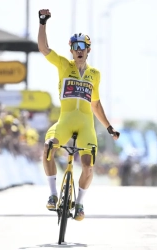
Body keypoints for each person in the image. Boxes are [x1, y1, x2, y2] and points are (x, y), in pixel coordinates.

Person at [37, 9, 120, 221]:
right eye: (75, 47)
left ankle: (80, 204)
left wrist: (109, 127)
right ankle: (53, 195)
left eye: (82, 46)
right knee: (48, 148)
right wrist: (43, 23)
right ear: (71, 51)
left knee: (88, 166)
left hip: (85, 127)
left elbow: (96, 104)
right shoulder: (64, 65)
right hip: (64, 122)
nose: (78, 50)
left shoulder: (95, 75)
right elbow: (44, 48)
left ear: (88, 50)